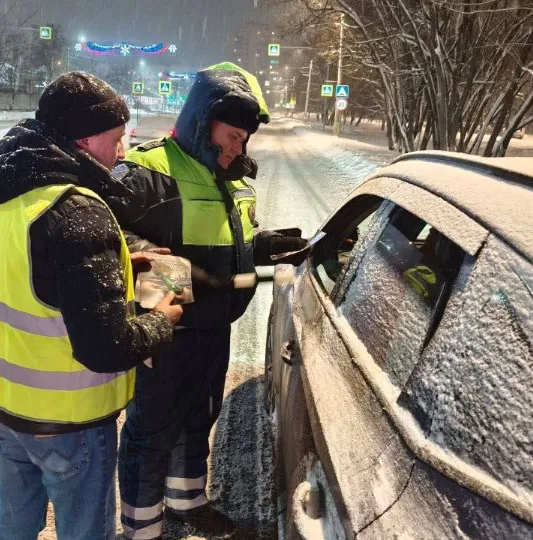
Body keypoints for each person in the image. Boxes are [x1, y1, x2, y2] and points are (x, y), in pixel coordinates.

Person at [0, 72, 183, 540]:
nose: (122, 151)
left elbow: (32, 271)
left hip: (3, 404)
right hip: (67, 418)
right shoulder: (77, 210)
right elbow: (107, 347)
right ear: (84, 139)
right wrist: (161, 322)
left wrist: (119, 262)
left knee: (13, 518)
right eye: (115, 138)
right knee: (85, 530)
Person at [107, 62, 310, 539]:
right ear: (204, 121)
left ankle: (187, 501)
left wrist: (261, 246)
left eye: (245, 138)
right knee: (153, 429)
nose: (239, 147)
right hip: (167, 330)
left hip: (215, 326)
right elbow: (114, 239)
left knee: (200, 415)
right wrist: (170, 287)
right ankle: (141, 527)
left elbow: (230, 241)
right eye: (232, 135)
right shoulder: (148, 170)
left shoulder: (232, 180)